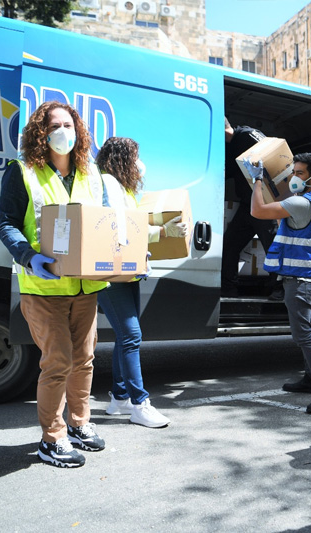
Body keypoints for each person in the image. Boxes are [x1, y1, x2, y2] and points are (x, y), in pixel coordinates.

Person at [0, 101, 107, 468]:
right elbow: (6, 223)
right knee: (58, 361)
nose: (63, 131)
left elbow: (103, 226)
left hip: (85, 288)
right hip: (43, 288)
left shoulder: (91, 174)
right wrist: (28, 256)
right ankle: (52, 437)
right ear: (40, 133)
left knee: (85, 361)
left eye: (69, 124)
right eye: (54, 125)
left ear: (79, 131)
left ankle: (79, 424)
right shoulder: (23, 171)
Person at [95, 137, 183, 428]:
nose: (139, 164)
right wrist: (162, 230)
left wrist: (158, 231)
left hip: (127, 269)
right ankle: (139, 404)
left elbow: (133, 224)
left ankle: (119, 398)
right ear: (122, 158)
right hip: (111, 271)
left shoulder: (122, 188)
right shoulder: (108, 183)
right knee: (131, 335)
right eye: (135, 156)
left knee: (126, 336)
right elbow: (117, 226)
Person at [248, 152, 311, 414]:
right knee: (307, 333)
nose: (294, 177)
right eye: (293, 171)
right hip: (305, 279)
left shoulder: (301, 203)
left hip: (299, 281)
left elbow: (257, 210)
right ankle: (309, 380)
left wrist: (258, 180)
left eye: (300, 173)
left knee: (304, 335)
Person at [221, 118, 281, 299]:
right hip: (248, 205)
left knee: (272, 248)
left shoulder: (246, 135)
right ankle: (228, 289)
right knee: (230, 246)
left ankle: (279, 288)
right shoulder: (228, 146)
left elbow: (272, 155)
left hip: (265, 204)